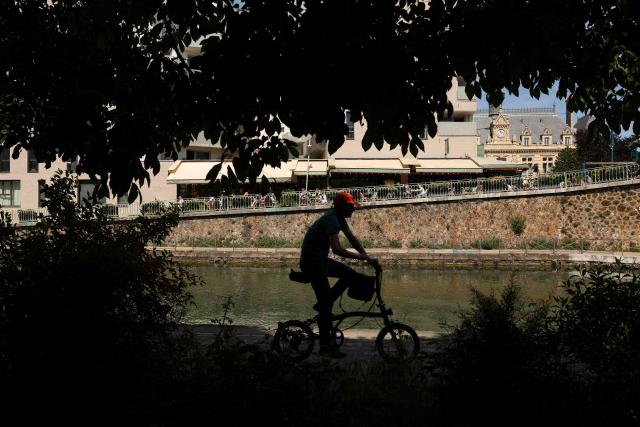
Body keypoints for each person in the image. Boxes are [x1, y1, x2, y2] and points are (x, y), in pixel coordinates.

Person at [299, 192, 378, 358]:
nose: (353, 209)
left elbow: (352, 239)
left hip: (321, 261)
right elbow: (337, 249)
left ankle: (324, 305)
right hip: (312, 263)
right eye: (350, 206)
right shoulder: (331, 218)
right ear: (341, 206)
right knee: (327, 304)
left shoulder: (338, 218)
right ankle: (325, 347)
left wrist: (368, 258)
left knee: (349, 274)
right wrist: (360, 257)